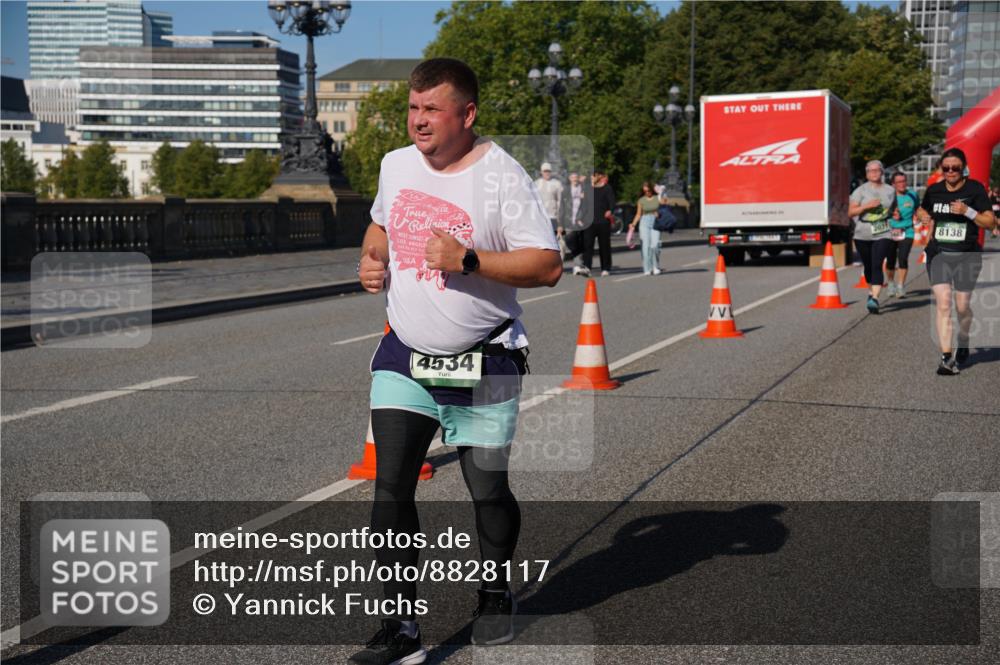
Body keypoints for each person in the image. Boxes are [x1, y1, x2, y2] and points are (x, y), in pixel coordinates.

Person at [353, 57, 562, 663]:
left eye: (432, 110)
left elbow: (545, 266)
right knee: (390, 490)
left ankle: (495, 593)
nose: (419, 122)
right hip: (403, 357)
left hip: (483, 359)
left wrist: (469, 260)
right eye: (414, 109)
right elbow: (378, 227)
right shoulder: (395, 165)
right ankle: (401, 631)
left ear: (466, 114)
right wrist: (372, 259)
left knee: (486, 491)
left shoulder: (502, 176)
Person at [915, 147, 997, 375]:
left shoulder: (975, 189)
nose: (950, 172)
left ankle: (963, 338)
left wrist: (968, 212)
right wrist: (921, 215)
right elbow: (924, 211)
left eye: (955, 168)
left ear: (963, 169)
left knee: (962, 307)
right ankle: (946, 357)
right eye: (946, 168)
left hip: (967, 255)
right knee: (943, 304)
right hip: (939, 254)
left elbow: (990, 223)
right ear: (942, 169)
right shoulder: (934, 190)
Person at [848, 159, 896, 313]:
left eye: (877, 170)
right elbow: (850, 212)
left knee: (877, 263)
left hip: (884, 230)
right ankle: (871, 292)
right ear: (867, 174)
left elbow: (893, 208)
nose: (874, 173)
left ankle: (874, 298)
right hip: (863, 233)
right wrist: (866, 206)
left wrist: (895, 214)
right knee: (868, 266)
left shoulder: (890, 190)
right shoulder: (860, 191)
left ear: (882, 172)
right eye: (871, 171)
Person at [885, 171, 918, 298]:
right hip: (890, 231)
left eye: (904, 181)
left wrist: (921, 216)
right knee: (890, 261)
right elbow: (879, 214)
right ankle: (891, 283)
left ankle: (900, 286)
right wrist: (891, 215)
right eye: (899, 182)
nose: (902, 184)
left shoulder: (912, 195)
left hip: (907, 230)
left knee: (903, 258)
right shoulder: (888, 197)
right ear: (893, 184)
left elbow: (918, 209)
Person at [579, 168, 616, 276]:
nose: (591, 178)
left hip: (603, 222)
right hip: (589, 222)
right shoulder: (587, 189)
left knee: (604, 246)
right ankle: (587, 267)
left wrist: (610, 211)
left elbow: (612, 202)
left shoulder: (607, 188)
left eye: (593, 176)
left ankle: (606, 268)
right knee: (587, 245)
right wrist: (580, 217)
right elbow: (584, 205)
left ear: (599, 176)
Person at [628, 181, 662, 275]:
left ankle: (655, 266)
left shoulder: (657, 198)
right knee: (645, 246)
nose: (647, 193)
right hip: (644, 222)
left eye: (648, 191)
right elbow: (638, 214)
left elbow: (665, 204)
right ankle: (647, 268)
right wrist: (633, 224)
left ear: (652, 189)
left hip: (656, 222)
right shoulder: (641, 200)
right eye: (645, 191)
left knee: (655, 245)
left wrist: (661, 193)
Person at [533, 162, 564, 239]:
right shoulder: (536, 184)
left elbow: (560, 202)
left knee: (554, 240)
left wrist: (560, 222)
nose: (547, 173)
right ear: (541, 172)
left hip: (553, 217)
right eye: (545, 171)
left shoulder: (557, 184)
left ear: (551, 172)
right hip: (540, 217)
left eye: (548, 171)